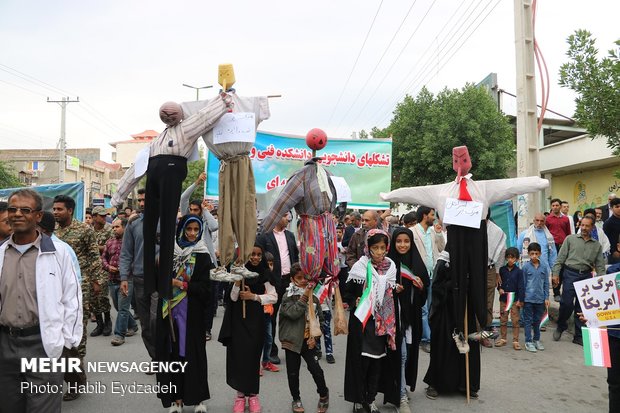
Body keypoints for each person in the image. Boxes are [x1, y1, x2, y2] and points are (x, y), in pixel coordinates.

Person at [0, 188, 82, 412]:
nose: (17, 214)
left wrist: (66, 342)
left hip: (43, 344)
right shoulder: (1, 252)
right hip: (5, 345)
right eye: (12, 209)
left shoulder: (60, 252)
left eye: (25, 210)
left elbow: (72, 299)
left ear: (38, 216)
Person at [156, 215, 213, 413]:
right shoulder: (170, 253)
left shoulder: (203, 254)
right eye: (188, 229)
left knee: (194, 354)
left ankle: (198, 399)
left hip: (193, 313)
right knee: (172, 355)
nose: (192, 233)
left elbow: (208, 289)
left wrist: (182, 284)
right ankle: (176, 399)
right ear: (181, 229)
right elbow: (157, 280)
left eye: (196, 230)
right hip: (170, 311)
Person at [53, 194, 105, 400]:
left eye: (59, 209)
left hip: (79, 287)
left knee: (76, 334)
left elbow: (94, 256)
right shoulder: (52, 231)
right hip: (56, 287)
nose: (55, 212)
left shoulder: (84, 230)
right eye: (54, 209)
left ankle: (75, 379)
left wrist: (96, 283)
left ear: (70, 210)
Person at [345, 229, 400, 413]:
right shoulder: (359, 268)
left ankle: (371, 398)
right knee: (362, 362)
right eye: (375, 247)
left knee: (377, 363)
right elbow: (347, 293)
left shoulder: (391, 268)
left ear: (387, 248)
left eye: (382, 248)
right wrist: (355, 301)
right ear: (368, 248)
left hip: (382, 324)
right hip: (363, 323)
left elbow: (390, 294)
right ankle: (359, 400)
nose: (379, 252)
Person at [218, 244, 277, 413]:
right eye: (252, 254)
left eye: (259, 255)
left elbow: (273, 297)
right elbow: (232, 297)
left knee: (252, 358)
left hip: (256, 322)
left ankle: (253, 396)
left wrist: (254, 297)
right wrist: (237, 280)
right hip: (238, 322)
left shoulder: (265, 274)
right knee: (238, 358)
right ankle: (239, 396)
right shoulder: (238, 271)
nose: (256, 258)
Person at [388, 227, 429, 413]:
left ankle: (401, 386)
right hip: (391, 319)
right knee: (401, 354)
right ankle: (400, 396)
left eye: (406, 241)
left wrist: (420, 288)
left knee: (407, 354)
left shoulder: (418, 265)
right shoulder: (387, 264)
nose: (402, 245)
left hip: (411, 319)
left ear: (412, 243)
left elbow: (423, 299)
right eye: (398, 241)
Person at [279, 264, 329, 413]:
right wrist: (304, 296)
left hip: (309, 341)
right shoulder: (287, 296)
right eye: (299, 278)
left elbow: (320, 320)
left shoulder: (314, 297)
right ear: (292, 279)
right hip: (292, 342)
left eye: (305, 278)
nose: (302, 281)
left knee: (316, 370)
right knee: (293, 374)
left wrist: (315, 337)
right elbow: (293, 313)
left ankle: (324, 395)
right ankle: (296, 399)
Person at [552, 216, 606, 346]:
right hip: (570, 274)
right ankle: (561, 325)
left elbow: (600, 266)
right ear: (579, 225)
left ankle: (578, 335)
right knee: (566, 303)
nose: (584, 228)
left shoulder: (596, 245)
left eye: (587, 226)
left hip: (586, 276)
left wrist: (603, 282)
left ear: (592, 227)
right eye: (582, 225)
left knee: (582, 307)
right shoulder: (570, 239)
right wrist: (555, 274)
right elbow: (560, 259)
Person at [120, 188, 158, 360]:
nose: (142, 203)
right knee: (146, 325)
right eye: (140, 200)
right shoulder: (133, 223)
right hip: (140, 280)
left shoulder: (166, 221)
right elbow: (126, 253)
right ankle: (155, 358)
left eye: (145, 199)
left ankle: (164, 356)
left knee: (156, 321)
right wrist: (124, 278)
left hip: (160, 280)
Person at [256, 212, 299, 365]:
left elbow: (295, 256)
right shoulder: (264, 236)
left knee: (291, 315)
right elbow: (258, 259)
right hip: (273, 282)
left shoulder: (290, 236)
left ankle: (292, 348)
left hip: (289, 281)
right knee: (271, 317)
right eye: (285, 215)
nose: (288, 218)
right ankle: (271, 351)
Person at [412, 206, 445, 353]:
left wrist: (439, 234)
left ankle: (427, 336)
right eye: (432, 215)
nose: (434, 218)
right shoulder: (413, 232)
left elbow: (443, 248)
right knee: (423, 309)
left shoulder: (433, 232)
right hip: (419, 276)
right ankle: (426, 339)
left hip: (434, 275)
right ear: (425, 216)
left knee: (431, 307)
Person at [103, 217, 138, 346]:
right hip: (112, 280)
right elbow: (103, 259)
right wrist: (108, 267)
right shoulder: (110, 242)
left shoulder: (132, 243)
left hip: (127, 280)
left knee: (123, 308)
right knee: (118, 307)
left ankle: (119, 335)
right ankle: (133, 325)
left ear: (124, 227)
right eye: (113, 227)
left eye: (117, 227)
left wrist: (124, 269)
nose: (114, 229)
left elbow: (135, 260)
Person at [521, 243, 549, 353]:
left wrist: (546, 297)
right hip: (528, 299)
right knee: (528, 321)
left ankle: (536, 339)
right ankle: (528, 341)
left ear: (540, 254)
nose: (534, 256)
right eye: (531, 253)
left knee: (537, 321)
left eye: (536, 253)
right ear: (528, 254)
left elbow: (546, 283)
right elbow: (522, 284)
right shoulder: (526, 267)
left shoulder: (543, 267)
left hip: (540, 299)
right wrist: (522, 299)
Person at [91, 205, 114, 337]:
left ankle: (108, 321)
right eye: (101, 215)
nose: (104, 217)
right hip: (92, 267)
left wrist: (94, 247)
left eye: (105, 215)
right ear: (94, 217)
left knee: (103, 294)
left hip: (105, 266)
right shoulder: (88, 230)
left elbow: (110, 248)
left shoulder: (110, 230)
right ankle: (99, 323)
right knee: (93, 297)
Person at [496, 247, 524, 350]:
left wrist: (520, 300)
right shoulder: (502, 270)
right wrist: (499, 289)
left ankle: (515, 340)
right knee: (503, 319)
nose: (510, 260)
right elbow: (499, 283)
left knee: (515, 320)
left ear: (517, 259)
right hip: (504, 298)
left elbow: (521, 286)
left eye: (513, 258)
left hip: (514, 299)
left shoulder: (519, 272)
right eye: (508, 257)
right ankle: (503, 339)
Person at [546, 198, 572, 301]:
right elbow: (545, 233)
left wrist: (570, 245)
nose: (555, 207)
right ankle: (556, 293)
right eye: (553, 205)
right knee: (555, 268)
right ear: (551, 207)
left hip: (564, 246)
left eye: (557, 205)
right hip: (553, 246)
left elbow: (568, 233)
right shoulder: (548, 219)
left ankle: (564, 291)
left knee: (564, 269)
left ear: (560, 206)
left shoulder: (566, 219)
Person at [603, 197, 620, 264]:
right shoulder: (608, 223)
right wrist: (613, 251)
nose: (619, 208)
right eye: (617, 206)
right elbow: (605, 240)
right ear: (611, 208)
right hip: (615, 255)